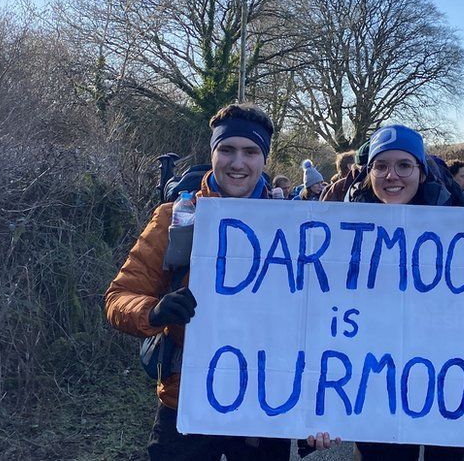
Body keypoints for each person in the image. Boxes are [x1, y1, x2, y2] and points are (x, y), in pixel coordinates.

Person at [104, 104, 338, 460]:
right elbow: (118, 297)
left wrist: (312, 411)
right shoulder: (174, 217)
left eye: (250, 152)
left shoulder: (295, 225)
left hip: (265, 405)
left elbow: (322, 320)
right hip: (186, 400)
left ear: (264, 158)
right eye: (226, 149)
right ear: (212, 152)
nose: (237, 163)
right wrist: (154, 311)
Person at [349, 124, 464, 461]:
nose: (391, 175)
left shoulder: (460, 225)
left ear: (421, 172)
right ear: (369, 173)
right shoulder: (345, 226)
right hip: (377, 388)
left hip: (449, 386)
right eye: (380, 166)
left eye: (404, 165)